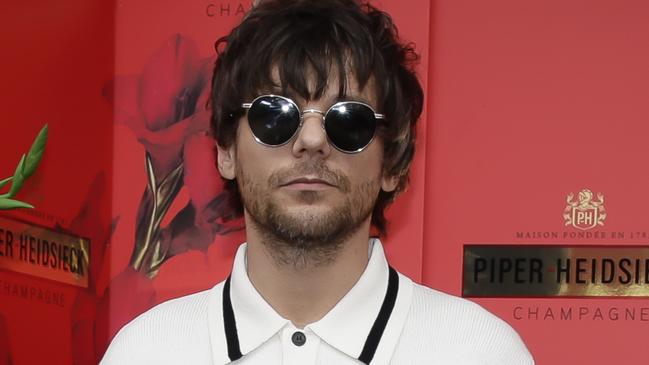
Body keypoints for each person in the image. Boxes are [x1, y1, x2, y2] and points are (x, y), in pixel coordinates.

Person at [100, 0, 535, 364]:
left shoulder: (480, 352)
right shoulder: (145, 352)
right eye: (275, 115)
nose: (311, 140)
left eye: (349, 120)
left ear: (393, 163)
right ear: (225, 151)